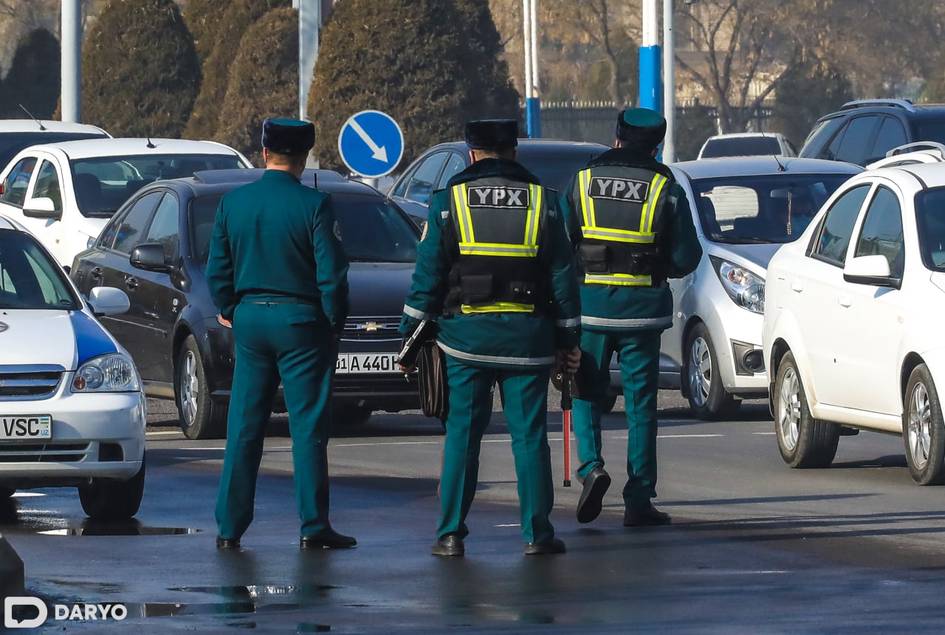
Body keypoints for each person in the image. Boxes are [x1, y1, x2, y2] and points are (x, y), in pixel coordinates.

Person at [400, 119, 581, 557]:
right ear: (515, 151)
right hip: (528, 341)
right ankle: (538, 534)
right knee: (530, 437)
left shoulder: (448, 202)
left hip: (465, 341)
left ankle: (450, 534)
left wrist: (409, 337)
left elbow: (428, 277)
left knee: (463, 434)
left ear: (471, 154)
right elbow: (563, 279)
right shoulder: (546, 203)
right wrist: (569, 340)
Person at [207, 118, 355, 551]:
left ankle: (230, 525)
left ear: (263, 152)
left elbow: (219, 269)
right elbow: (333, 275)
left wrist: (231, 308)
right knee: (307, 426)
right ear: (305, 156)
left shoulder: (233, 203)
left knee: (245, 425)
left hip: (251, 318)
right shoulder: (315, 205)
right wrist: (333, 321)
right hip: (301, 321)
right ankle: (313, 524)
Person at [560, 108, 702, 527]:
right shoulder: (665, 187)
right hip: (642, 314)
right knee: (642, 407)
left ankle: (590, 469)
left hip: (589, 312)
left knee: (585, 392)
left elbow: (561, 244)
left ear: (616, 138)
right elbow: (686, 256)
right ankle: (639, 498)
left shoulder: (582, 181)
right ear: (655, 145)